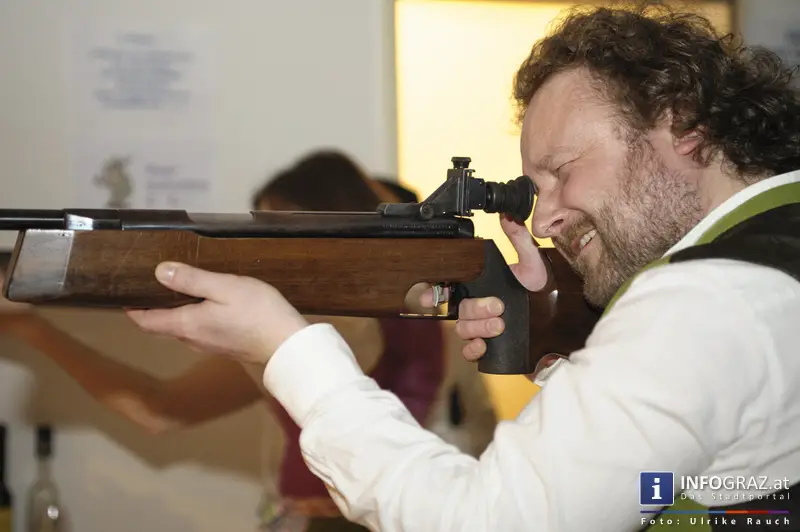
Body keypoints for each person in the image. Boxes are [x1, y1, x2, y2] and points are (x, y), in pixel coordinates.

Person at [34, 3, 800, 530]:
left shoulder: (703, 300)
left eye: (564, 169)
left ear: (683, 127)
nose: (550, 214)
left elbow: (486, 522)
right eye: (536, 190)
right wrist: (561, 357)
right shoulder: (767, 260)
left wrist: (285, 348)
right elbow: (677, 477)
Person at [0, 150, 495, 531]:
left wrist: (32, 327)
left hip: (341, 522)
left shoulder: (348, 326)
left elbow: (160, 409)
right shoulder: (411, 313)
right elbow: (160, 408)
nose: (268, 252)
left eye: (280, 230)